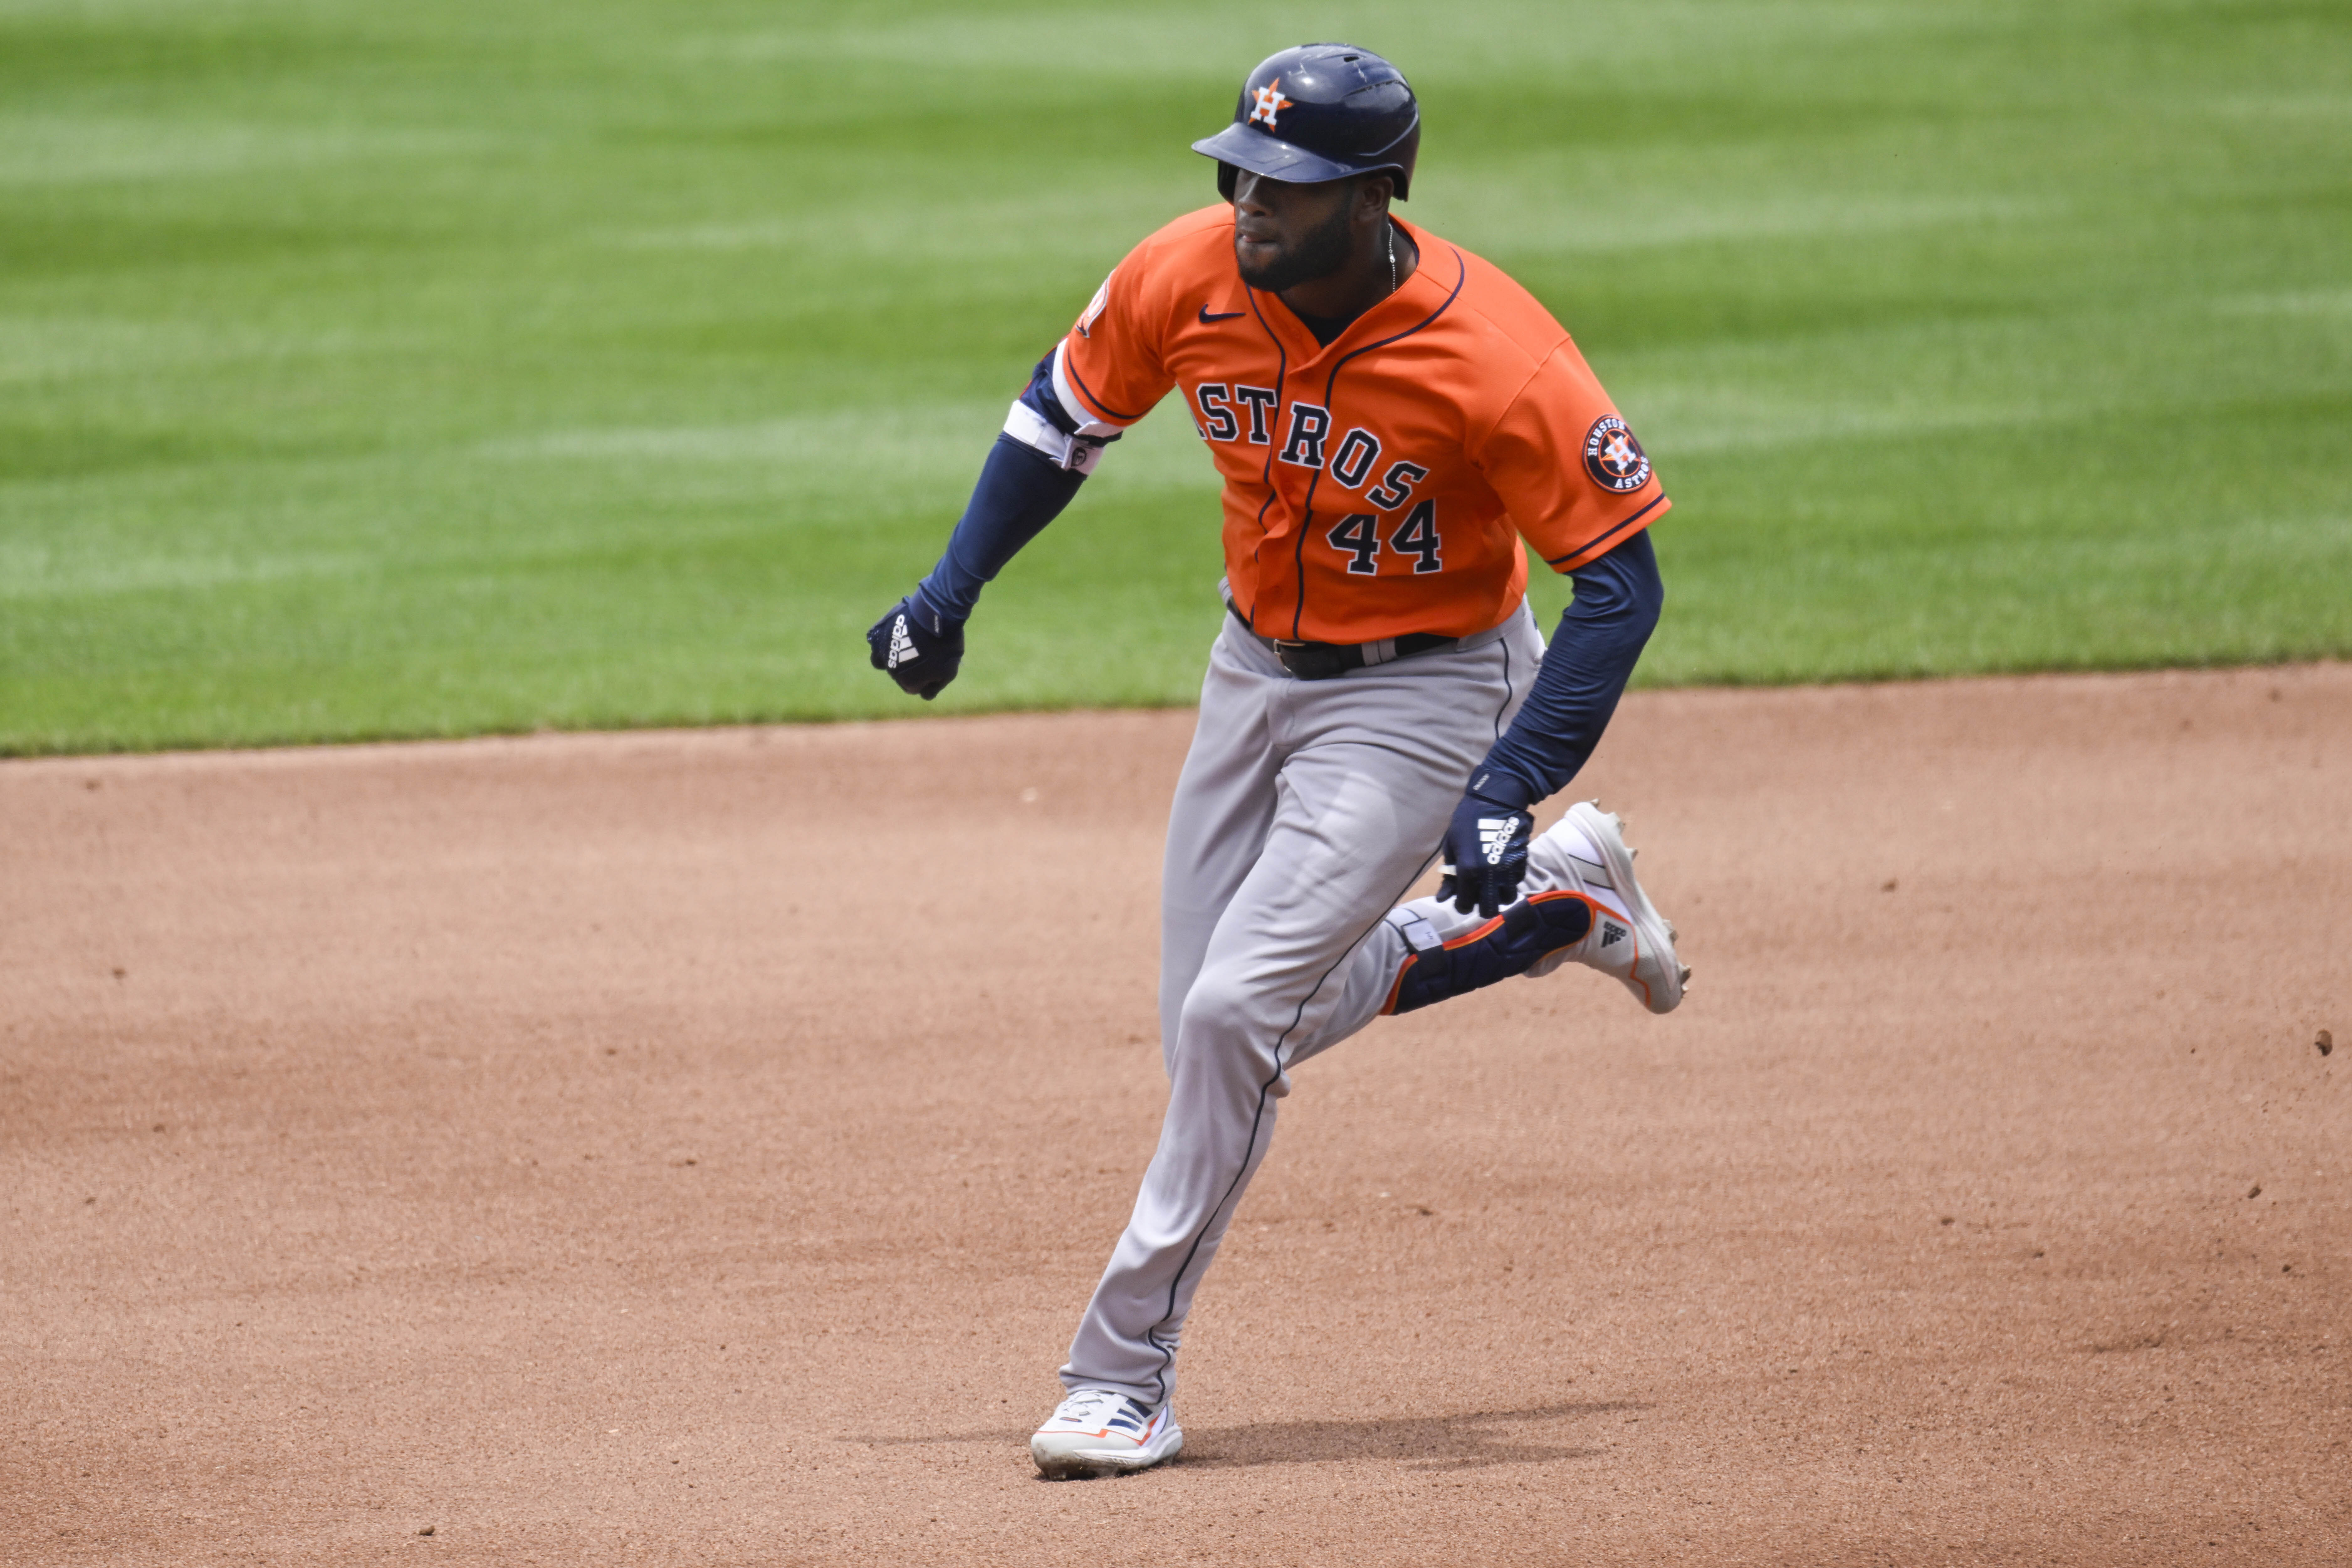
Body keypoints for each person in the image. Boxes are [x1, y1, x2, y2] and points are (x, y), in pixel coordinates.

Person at [866, 43, 1689, 1479]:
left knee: (1233, 1013)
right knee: (1224, 1023)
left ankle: (1120, 1373)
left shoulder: (1497, 354)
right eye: (1241, 169)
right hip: (1249, 673)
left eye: (1292, 185)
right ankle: (1555, 907)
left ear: (1377, 198)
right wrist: (950, 591)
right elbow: (1060, 417)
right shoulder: (1183, 276)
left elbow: (1620, 586)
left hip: (1426, 694)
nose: (1250, 199)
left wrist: (1501, 781)